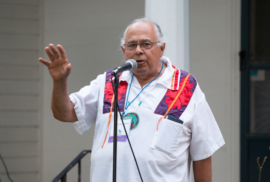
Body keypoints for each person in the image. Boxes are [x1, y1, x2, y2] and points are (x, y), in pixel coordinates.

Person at [39, 18, 225, 182]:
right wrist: (59, 81)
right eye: (131, 45)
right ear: (123, 50)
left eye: (146, 44)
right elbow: (64, 113)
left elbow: (202, 153)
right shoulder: (109, 81)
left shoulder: (185, 87)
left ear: (161, 49)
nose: (138, 51)